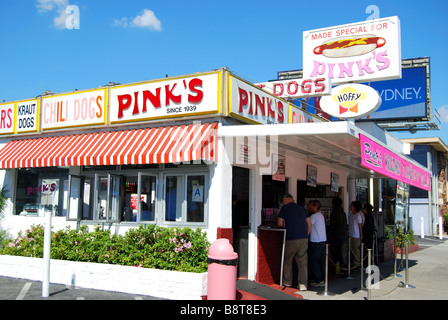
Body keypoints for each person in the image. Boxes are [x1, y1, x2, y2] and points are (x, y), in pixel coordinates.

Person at [277, 194, 311, 291]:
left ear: (286, 199)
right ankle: (303, 284)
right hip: (303, 238)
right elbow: (309, 222)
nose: (282, 202)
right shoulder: (302, 209)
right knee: (302, 262)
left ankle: (287, 282)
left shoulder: (284, 208)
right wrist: (307, 234)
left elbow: (280, 223)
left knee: (288, 260)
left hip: (291, 238)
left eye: (283, 200)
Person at [308, 200, 327, 287]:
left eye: (310, 205)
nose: (309, 206)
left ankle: (318, 280)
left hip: (316, 241)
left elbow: (307, 225)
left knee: (313, 261)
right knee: (321, 261)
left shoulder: (314, 216)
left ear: (315, 206)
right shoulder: (321, 215)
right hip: (322, 241)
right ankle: (321, 279)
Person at [342, 200, 363, 270]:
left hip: (356, 236)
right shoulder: (350, 214)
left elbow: (360, 226)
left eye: (351, 205)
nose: (350, 206)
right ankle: (345, 263)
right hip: (350, 235)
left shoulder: (358, 215)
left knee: (355, 251)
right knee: (344, 248)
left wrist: (361, 235)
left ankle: (357, 265)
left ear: (354, 207)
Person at [330, 197, 346, 274]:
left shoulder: (334, 212)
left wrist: (332, 235)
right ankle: (341, 268)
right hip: (342, 234)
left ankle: (338, 269)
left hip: (336, 235)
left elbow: (332, 225)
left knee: (337, 252)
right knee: (341, 252)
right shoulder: (343, 213)